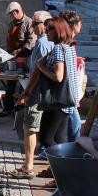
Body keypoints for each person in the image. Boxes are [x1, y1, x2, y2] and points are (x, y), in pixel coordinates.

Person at [8, 10, 54, 179]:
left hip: (37, 92)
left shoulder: (43, 44)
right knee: (42, 131)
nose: (32, 27)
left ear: (44, 24)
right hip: (44, 92)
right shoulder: (47, 42)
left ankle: (28, 167)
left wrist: (26, 93)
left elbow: (37, 72)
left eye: (35, 23)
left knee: (30, 128)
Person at [37, 17, 79, 148]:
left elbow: (58, 77)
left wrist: (41, 67)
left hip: (57, 101)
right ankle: (60, 167)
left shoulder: (58, 49)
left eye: (49, 29)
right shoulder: (69, 46)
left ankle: (61, 164)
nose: (46, 32)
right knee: (60, 139)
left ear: (58, 30)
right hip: (67, 100)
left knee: (45, 138)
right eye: (45, 29)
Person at [0, 2, 36, 116]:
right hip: (12, 57)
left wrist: (19, 51)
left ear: (16, 11)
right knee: (10, 83)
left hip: (26, 58)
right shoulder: (12, 24)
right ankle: (8, 108)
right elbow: (9, 41)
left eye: (11, 14)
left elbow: (31, 42)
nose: (10, 17)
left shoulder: (29, 22)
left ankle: (21, 110)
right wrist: (6, 53)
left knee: (23, 84)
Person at [60, 9, 84, 142]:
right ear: (73, 25)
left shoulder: (70, 43)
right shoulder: (65, 44)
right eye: (80, 22)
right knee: (74, 126)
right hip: (67, 94)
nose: (81, 25)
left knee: (73, 125)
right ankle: (72, 151)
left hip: (70, 94)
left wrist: (77, 60)